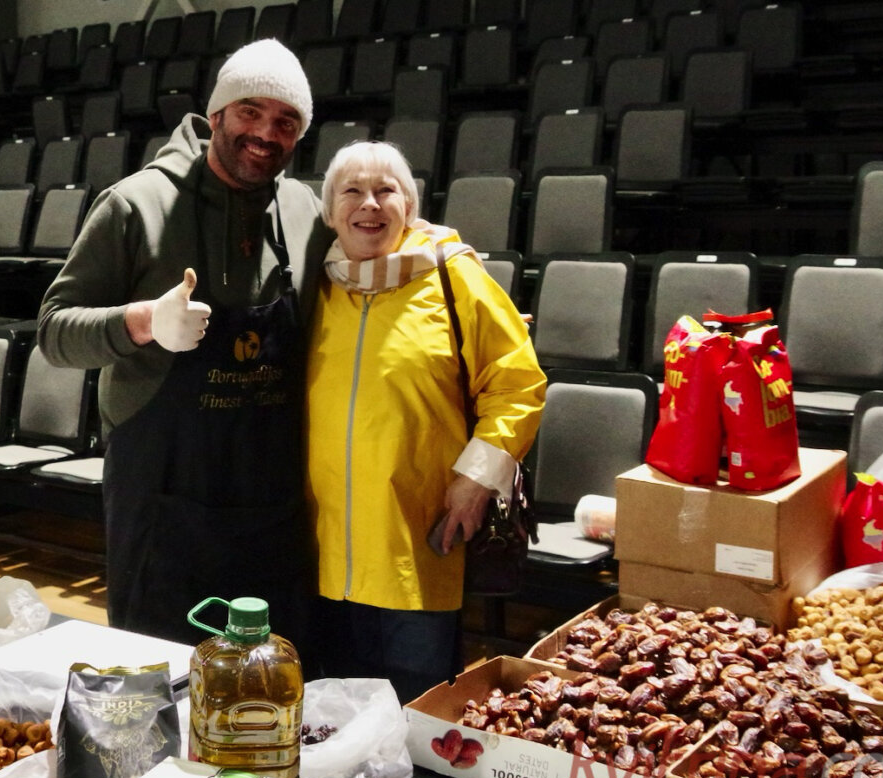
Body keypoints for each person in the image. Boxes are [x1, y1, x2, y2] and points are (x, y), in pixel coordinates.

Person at [37, 40, 334, 650]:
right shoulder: (135, 205)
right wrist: (142, 321)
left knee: (272, 670)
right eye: (250, 112)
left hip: (271, 494)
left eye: (286, 122)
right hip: (163, 493)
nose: (266, 133)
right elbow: (54, 332)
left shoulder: (305, 208)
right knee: (161, 664)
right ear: (216, 113)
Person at [306, 141, 546, 700]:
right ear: (330, 212)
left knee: (417, 704)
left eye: (386, 190)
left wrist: (475, 481)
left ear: (409, 207)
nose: (370, 204)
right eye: (352, 191)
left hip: (417, 539)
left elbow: (517, 383)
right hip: (324, 549)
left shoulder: (451, 276)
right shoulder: (315, 287)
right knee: (337, 705)